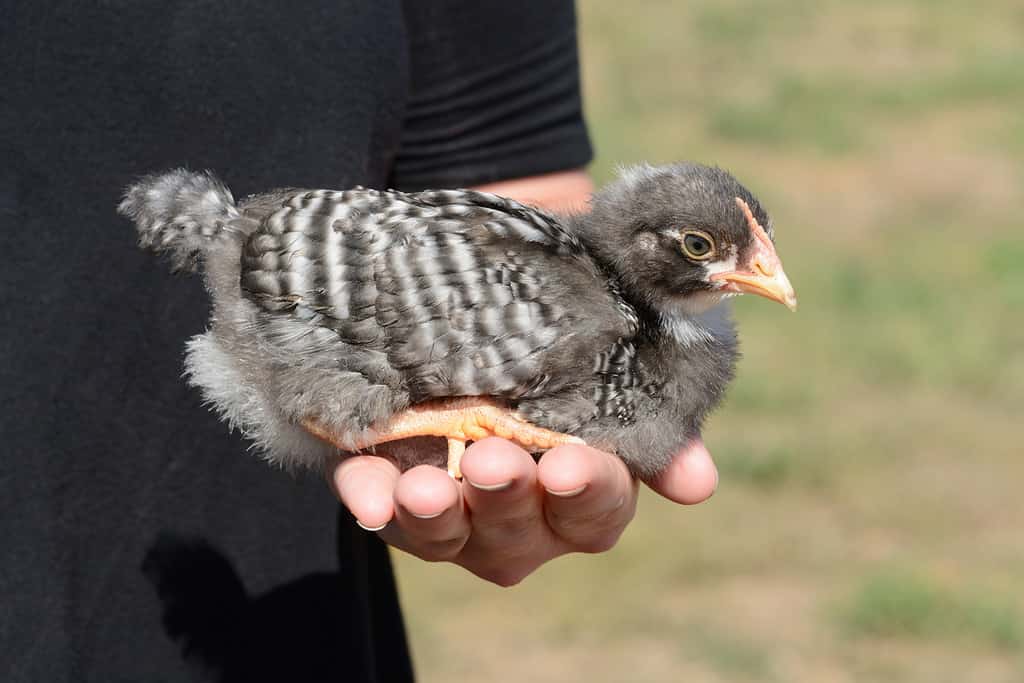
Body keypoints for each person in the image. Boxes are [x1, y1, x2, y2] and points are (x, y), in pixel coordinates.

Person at [0, 1, 717, 680]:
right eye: (705, 248)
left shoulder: (592, 312)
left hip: (286, 590)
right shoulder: (570, 325)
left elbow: (519, 175)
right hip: (265, 340)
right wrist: (439, 416)